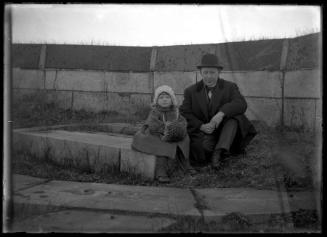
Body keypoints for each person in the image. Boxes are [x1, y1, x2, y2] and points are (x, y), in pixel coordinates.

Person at [180, 54, 257, 169]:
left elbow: (241, 104)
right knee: (203, 150)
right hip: (205, 132)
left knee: (235, 118)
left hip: (226, 130)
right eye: (205, 73)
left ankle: (219, 152)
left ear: (219, 72)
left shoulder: (230, 87)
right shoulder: (191, 91)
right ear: (200, 72)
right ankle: (221, 150)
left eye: (212, 73)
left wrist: (221, 114)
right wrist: (201, 126)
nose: (209, 77)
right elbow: (185, 112)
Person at [132, 85, 197, 183]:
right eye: (161, 98)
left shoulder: (175, 111)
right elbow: (152, 124)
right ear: (157, 100)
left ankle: (186, 164)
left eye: (167, 97)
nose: (164, 100)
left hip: (173, 133)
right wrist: (164, 128)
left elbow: (182, 121)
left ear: (172, 100)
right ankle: (161, 171)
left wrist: (179, 128)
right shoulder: (155, 112)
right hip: (157, 134)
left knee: (184, 140)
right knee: (162, 146)